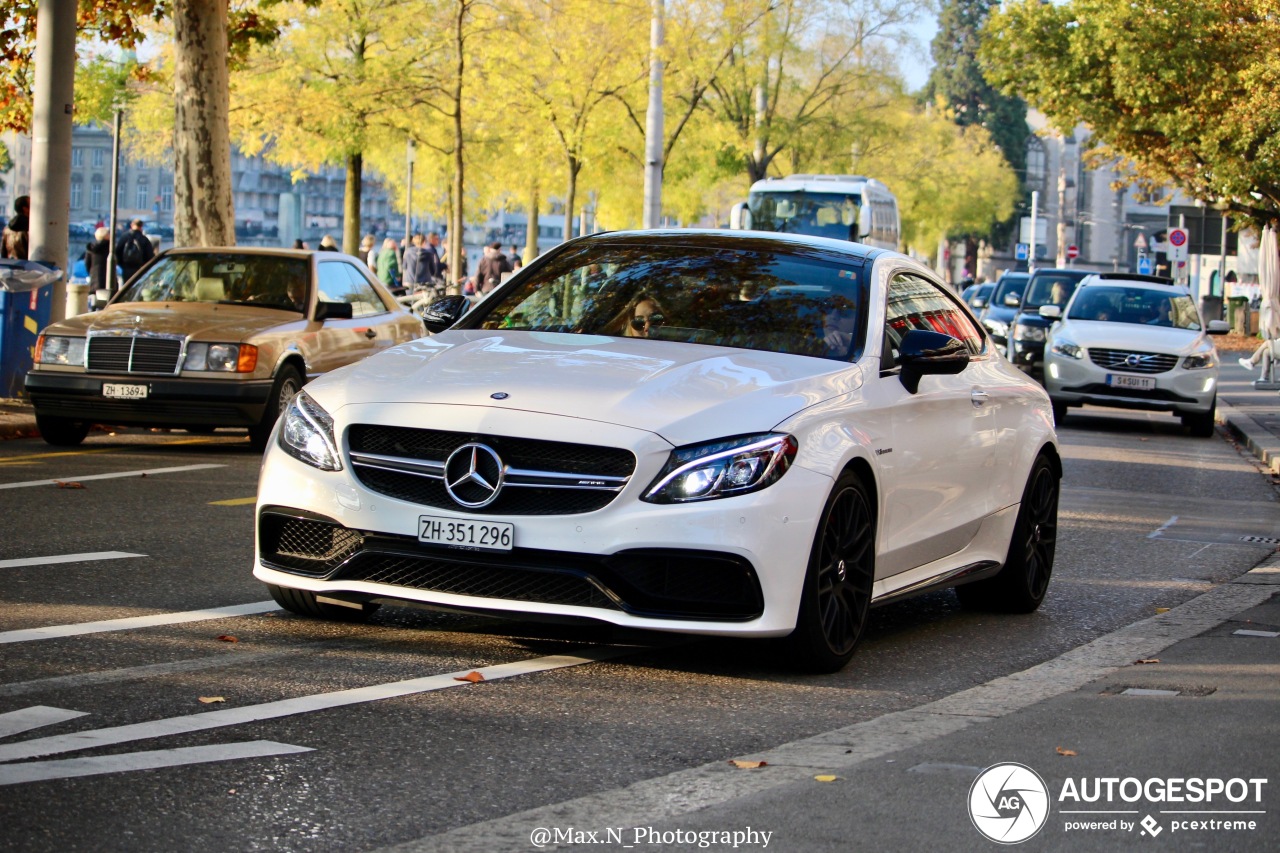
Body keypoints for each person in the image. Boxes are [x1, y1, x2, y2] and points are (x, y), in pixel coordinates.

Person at [117, 219, 155, 284]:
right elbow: (150, 255)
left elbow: (118, 251)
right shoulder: (144, 239)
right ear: (141, 226)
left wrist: (122, 264)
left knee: (127, 286)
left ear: (132, 225)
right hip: (139, 268)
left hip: (126, 267)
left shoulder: (124, 237)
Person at [1, 195, 30, 259]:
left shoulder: (7, 229)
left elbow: (3, 253)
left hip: (12, 265)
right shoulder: (29, 229)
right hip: (28, 266)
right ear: (25, 209)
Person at [85, 226, 111, 294]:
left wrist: (91, 272)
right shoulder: (109, 247)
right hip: (108, 276)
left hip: (95, 275)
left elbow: (87, 263)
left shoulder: (91, 248)